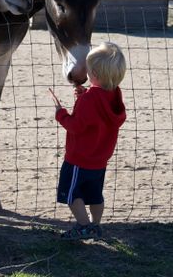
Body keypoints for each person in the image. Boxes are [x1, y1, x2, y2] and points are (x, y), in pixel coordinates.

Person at [49, 41, 127, 240]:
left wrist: (61, 114)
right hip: (99, 161)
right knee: (95, 195)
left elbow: (76, 125)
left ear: (95, 75)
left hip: (79, 159)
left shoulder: (89, 99)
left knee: (72, 194)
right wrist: (84, 96)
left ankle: (83, 226)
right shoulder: (115, 94)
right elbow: (96, 114)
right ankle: (95, 225)